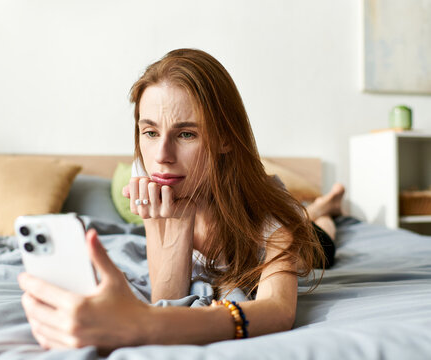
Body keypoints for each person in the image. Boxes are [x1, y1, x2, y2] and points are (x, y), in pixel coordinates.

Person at [18, 48, 344, 353]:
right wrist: (177, 223)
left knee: (318, 233)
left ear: (225, 139)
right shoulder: (154, 184)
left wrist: (146, 325)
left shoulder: (271, 220)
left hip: (301, 233)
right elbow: (167, 298)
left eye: (186, 134)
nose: (162, 157)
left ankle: (324, 209)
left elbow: (278, 311)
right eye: (150, 132)